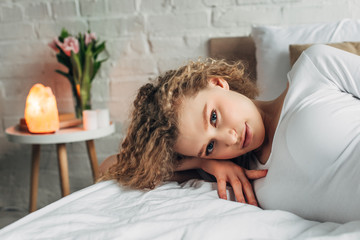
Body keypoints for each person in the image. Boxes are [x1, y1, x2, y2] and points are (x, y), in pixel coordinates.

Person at [100, 44, 360, 223]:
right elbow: (111, 167)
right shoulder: (240, 170)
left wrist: (205, 155)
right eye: (211, 145)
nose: (230, 139)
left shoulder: (314, 70)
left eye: (213, 117)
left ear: (217, 82)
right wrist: (204, 161)